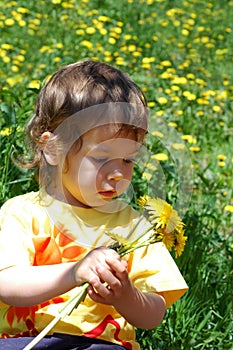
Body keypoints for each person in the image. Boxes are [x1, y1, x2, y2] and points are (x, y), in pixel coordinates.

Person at [0, 60, 188, 350]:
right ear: (53, 148)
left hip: (102, 346)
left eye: (128, 160)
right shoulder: (23, 213)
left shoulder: (134, 226)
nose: (118, 173)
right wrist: (74, 273)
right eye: (101, 159)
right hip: (25, 342)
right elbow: (7, 283)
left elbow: (154, 313)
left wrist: (126, 297)